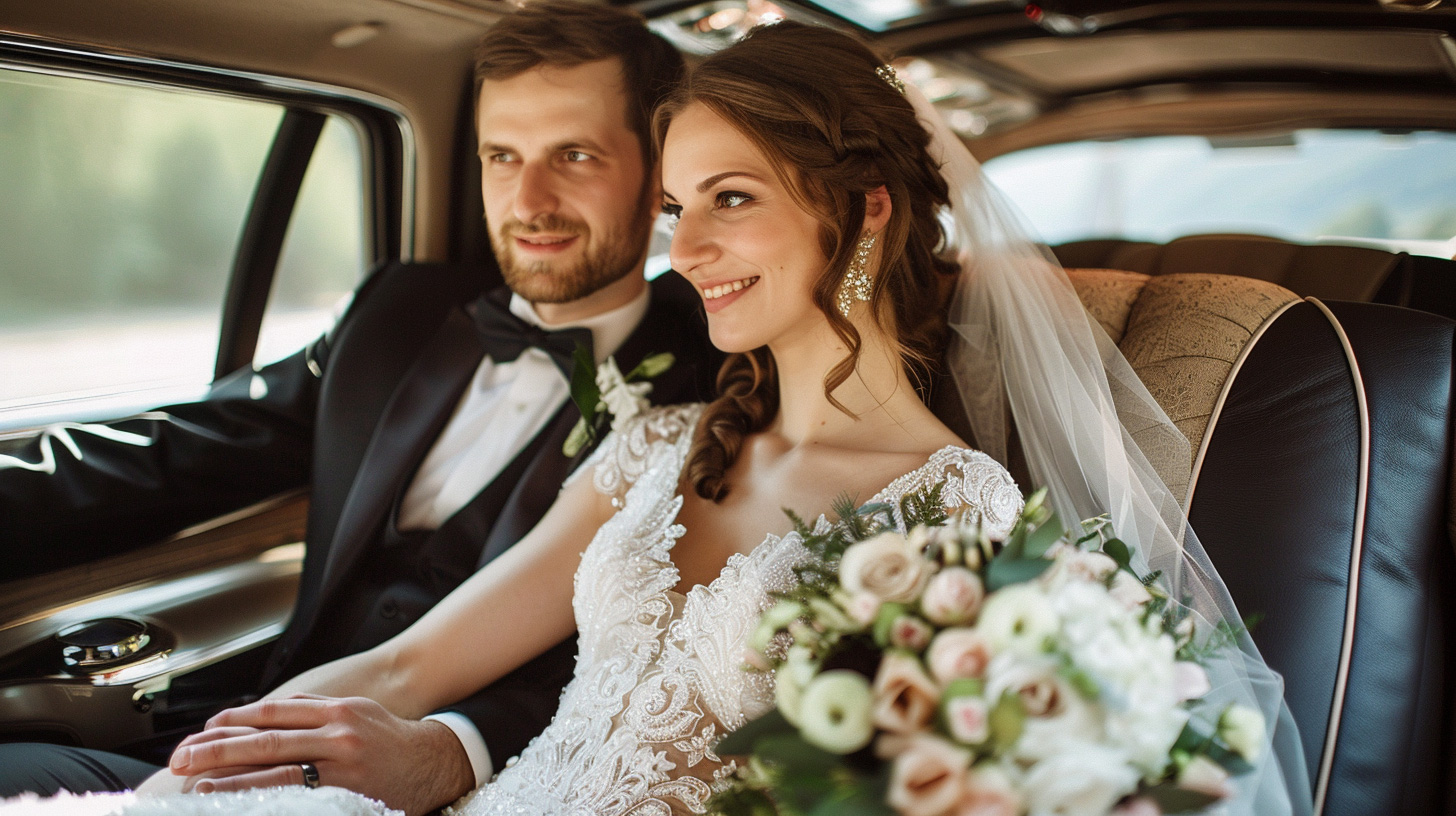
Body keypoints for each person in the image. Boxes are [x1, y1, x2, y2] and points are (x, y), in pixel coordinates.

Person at [4, 18, 1307, 816]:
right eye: (678, 209)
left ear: (864, 213)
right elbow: (411, 668)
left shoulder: (950, 519)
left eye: (729, 198)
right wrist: (208, 773)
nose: (683, 249)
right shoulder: (663, 440)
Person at [0, 3, 717, 813]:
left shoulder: (720, 386)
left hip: (490, 780)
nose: (529, 200)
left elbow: (669, 667)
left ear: (659, 171)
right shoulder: (397, 312)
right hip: (246, 733)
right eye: (501, 156)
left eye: (574, 155)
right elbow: (176, 451)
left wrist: (456, 749)